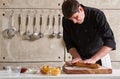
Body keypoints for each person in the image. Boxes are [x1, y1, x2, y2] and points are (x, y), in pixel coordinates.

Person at [62, 0, 116, 66]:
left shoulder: (97, 15)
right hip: (78, 59)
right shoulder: (65, 20)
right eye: (71, 19)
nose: (74, 22)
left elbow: (110, 41)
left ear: (80, 9)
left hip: (100, 58)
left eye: (76, 17)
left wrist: (93, 59)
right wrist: (77, 57)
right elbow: (69, 42)